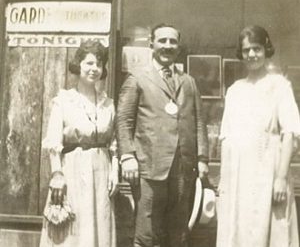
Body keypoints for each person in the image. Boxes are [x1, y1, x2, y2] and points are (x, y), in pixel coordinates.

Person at [116, 23, 209, 247]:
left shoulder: (189, 82)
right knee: (147, 231)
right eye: (162, 41)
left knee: (179, 231)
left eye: (173, 42)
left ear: (178, 47)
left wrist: (202, 158)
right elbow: (123, 120)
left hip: (182, 168)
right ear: (152, 44)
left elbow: (198, 122)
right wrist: (127, 156)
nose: (168, 46)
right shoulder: (137, 79)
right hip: (150, 167)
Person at [217, 25, 300, 247]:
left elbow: (290, 135)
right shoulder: (235, 90)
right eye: (246, 50)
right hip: (238, 176)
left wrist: (281, 178)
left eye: (257, 49)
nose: (252, 55)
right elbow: (226, 139)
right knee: (239, 230)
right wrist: (224, 182)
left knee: (270, 231)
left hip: (268, 172)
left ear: (266, 50)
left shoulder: (280, 86)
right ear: (241, 54)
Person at [39, 41, 118, 247]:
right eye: (89, 63)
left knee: (98, 223)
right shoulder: (64, 100)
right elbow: (54, 141)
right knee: (71, 231)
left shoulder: (108, 104)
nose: (94, 69)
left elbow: (114, 142)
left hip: (101, 171)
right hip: (72, 170)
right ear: (78, 65)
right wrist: (57, 174)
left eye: (99, 64)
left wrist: (115, 171)